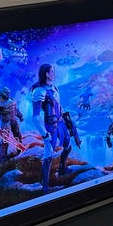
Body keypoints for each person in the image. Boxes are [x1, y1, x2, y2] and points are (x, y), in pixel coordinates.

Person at [31, 64, 71, 192]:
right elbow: (35, 117)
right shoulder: (39, 91)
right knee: (48, 156)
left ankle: (63, 169)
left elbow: (59, 106)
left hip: (60, 123)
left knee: (68, 147)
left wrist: (67, 120)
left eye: (53, 72)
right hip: (50, 126)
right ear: (46, 74)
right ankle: (45, 186)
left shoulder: (55, 88)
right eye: (52, 72)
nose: (54, 74)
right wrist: (44, 133)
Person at [0, 87, 24, 161]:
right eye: (6, 92)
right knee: (5, 138)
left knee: (17, 136)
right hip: (6, 122)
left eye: (8, 92)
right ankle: (3, 157)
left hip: (14, 120)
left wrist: (20, 116)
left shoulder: (12, 100)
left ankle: (19, 151)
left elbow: (16, 110)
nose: (8, 93)